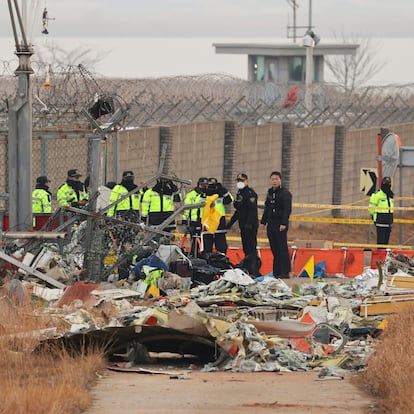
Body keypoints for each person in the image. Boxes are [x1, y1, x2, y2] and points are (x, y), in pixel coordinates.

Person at [227, 173, 260, 275]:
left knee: (251, 247)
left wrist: (249, 223)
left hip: (250, 225)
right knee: (246, 247)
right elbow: (239, 211)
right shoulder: (240, 194)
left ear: (246, 181)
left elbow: (252, 210)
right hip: (243, 224)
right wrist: (230, 223)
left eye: (242, 181)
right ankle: (248, 267)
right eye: (238, 181)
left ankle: (254, 270)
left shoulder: (250, 193)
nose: (240, 183)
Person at [261, 171, 292, 278]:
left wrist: (284, 223)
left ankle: (285, 271)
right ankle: (276, 271)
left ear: (280, 180)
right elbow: (267, 208)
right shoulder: (270, 193)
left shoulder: (285, 193)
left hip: (280, 224)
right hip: (271, 223)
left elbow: (287, 210)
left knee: (281, 247)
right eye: (272, 179)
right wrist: (263, 222)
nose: (274, 181)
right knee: (274, 247)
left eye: (276, 179)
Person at [201, 177, 233, 255]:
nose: (212, 188)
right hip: (208, 220)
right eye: (209, 185)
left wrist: (223, 191)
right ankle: (207, 260)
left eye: (213, 185)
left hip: (219, 220)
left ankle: (221, 260)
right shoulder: (203, 195)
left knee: (221, 245)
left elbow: (230, 200)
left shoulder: (221, 194)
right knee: (207, 245)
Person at [181, 177, 209, 256]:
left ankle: (203, 254)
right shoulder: (191, 194)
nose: (204, 187)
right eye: (202, 185)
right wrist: (185, 221)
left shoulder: (209, 194)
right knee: (195, 239)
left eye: (206, 185)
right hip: (194, 221)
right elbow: (186, 208)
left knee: (206, 239)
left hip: (206, 221)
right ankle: (194, 254)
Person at [369, 176, 394, 245]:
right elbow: (371, 209)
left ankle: (384, 255)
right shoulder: (377, 195)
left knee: (386, 242)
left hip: (389, 221)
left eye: (389, 184)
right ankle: (380, 255)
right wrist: (376, 217)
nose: (387, 185)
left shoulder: (390, 194)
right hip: (380, 221)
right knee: (381, 242)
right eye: (386, 183)